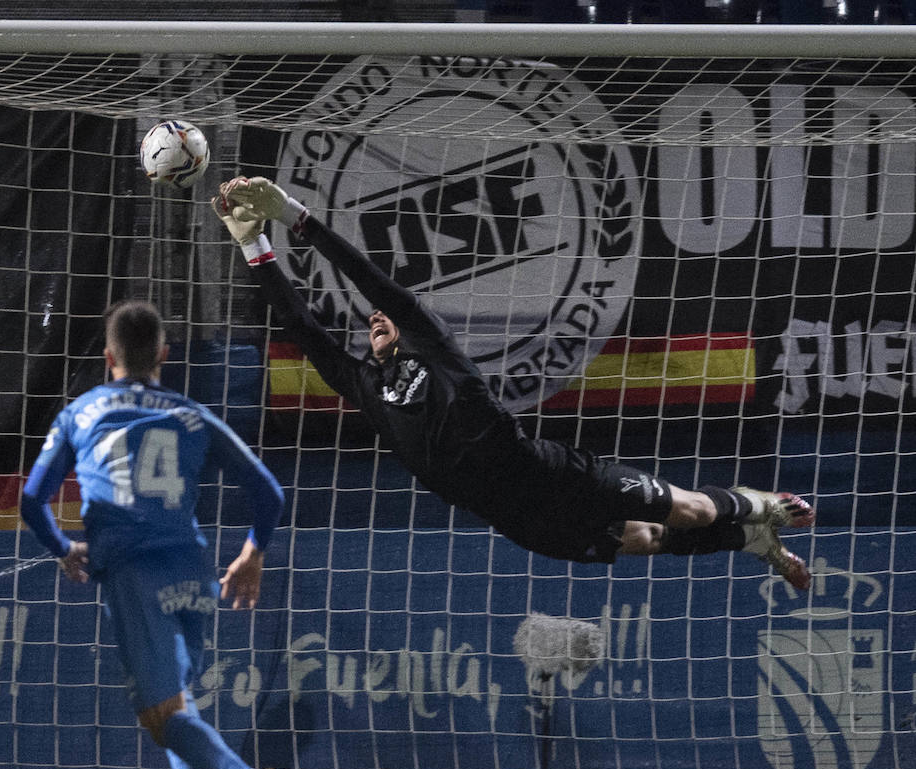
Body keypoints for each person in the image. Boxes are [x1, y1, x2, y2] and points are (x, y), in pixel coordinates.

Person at [213, 176, 816, 589]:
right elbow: (300, 324)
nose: (376, 317)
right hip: (521, 521)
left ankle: (763, 507)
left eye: (386, 316)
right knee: (649, 539)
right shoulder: (362, 388)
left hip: (548, 471)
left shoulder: (434, 350)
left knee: (690, 508)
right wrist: (251, 243)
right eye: (371, 319)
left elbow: (374, 281)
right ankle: (749, 542)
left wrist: (297, 217)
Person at [20, 299, 289, 769]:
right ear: (165, 355)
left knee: (161, 714)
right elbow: (268, 491)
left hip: (132, 572)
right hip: (193, 570)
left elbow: (31, 498)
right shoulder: (193, 414)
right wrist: (252, 553)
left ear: (107, 357)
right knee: (177, 701)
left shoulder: (81, 412)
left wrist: (63, 548)